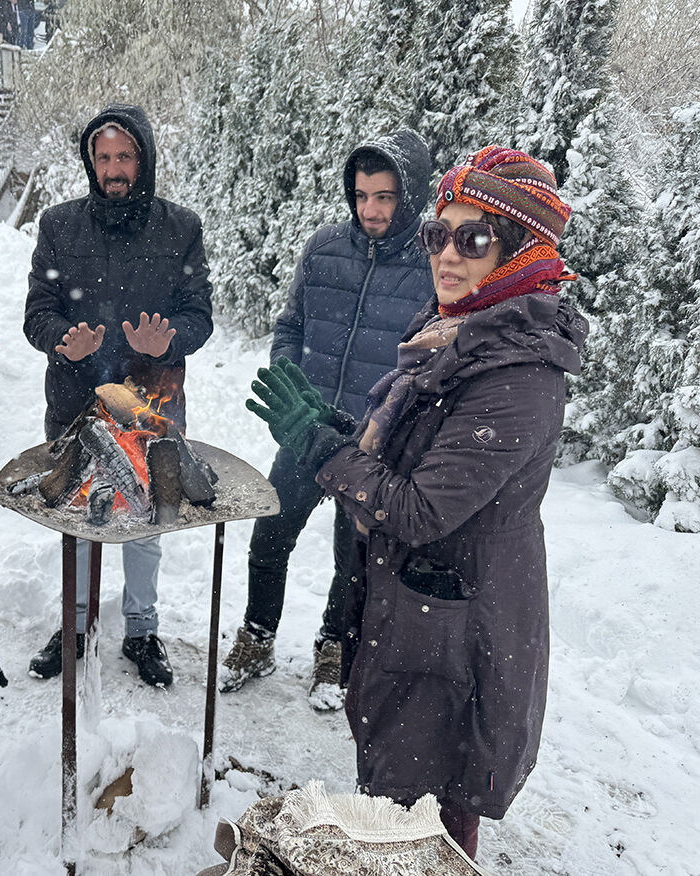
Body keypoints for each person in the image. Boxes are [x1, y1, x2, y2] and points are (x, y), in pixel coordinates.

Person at [245, 145, 586, 859]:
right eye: (441, 234)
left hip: (460, 639)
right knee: (398, 806)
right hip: (428, 615)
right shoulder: (457, 332)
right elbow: (411, 454)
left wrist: (319, 446)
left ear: (521, 251)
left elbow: (419, 509)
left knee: (425, 830)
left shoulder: (518, 370)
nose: (448, 255)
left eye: (475, 238)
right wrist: (339, 428)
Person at [219, 131, 434, 709]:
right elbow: (290, 325)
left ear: (408, 198)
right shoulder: (323, 249)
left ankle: (334, 647)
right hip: (307, 430)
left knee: (352, 558)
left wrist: (386, 423)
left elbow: (428, 364)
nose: (370, 209)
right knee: (269, 536)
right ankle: (258, 635)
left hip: (369, 445)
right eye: (362, 195)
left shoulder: (430, 270)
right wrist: (292, 387)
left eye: (385, 197)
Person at [24, 104, 213, 687]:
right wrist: (64, 343)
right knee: (78, 512)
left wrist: (169, 339)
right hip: (76, 399)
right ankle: (76, 624)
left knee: (150, 515)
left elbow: (199, 316)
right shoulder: (59, 226)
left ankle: (141, 627)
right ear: (90, 163)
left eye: (123, 156)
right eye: (103, 157)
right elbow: (38, 315)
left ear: (144, 159)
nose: (113, 168)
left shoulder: (181, 228)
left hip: (153, 400)